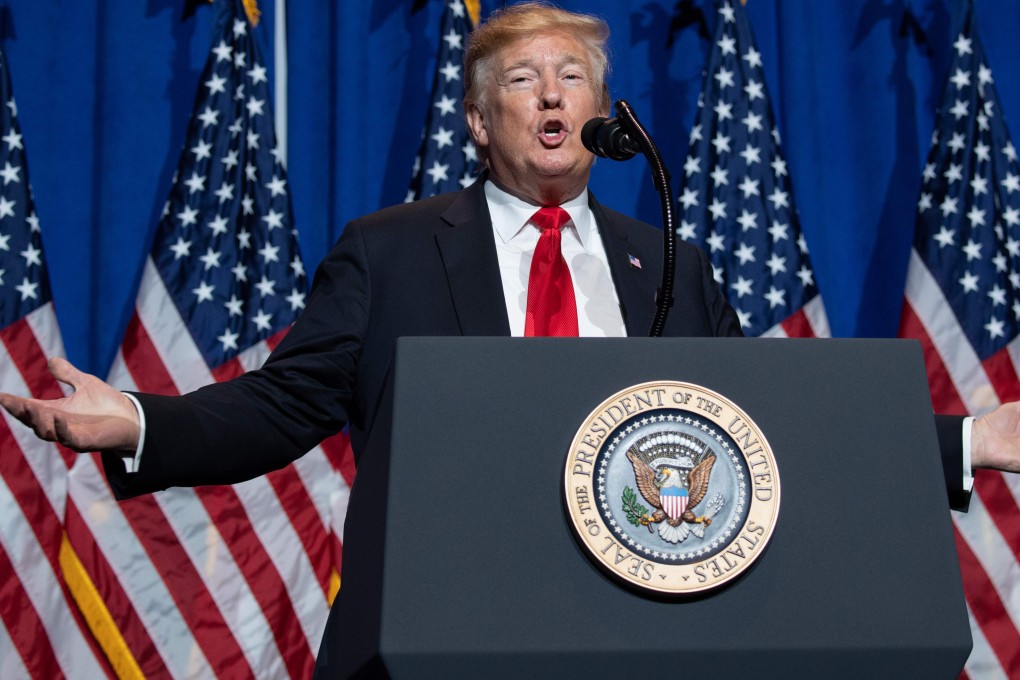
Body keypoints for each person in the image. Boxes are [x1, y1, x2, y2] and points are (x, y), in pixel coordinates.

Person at [2, 1, 1020, 672]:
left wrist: (965, 440)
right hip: (440, 635)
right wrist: (138, 418)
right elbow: (281, 404)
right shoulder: (391, 252)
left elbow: (764, 435)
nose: (550, 95)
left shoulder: (670, 261)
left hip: (639, 638)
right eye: (523, 80)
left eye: (571, 77)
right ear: (481, 123)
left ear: (602, 111)